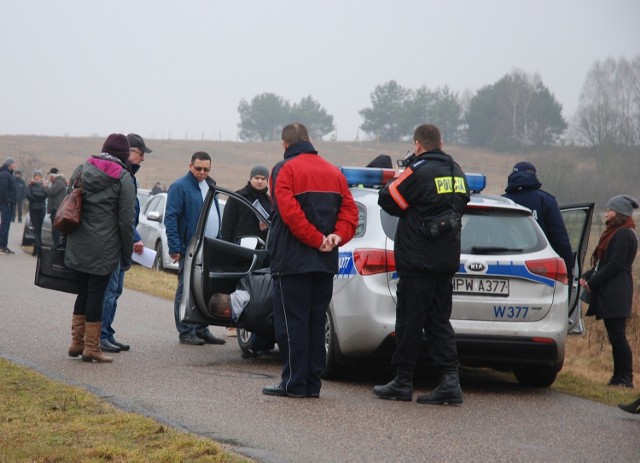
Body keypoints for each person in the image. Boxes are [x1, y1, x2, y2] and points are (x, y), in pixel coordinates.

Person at [374, 124, 470, 405]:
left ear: (417, 144)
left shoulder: (418, 171)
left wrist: (402, 176)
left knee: (409, 322)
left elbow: (387, 199)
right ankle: (450, 382)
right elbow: (460, 204)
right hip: (445, 260)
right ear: (441, 141)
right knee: (440, 322)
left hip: (418, 260)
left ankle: (402, 382)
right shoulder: (457, 171)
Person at [262, 122, 358, 399]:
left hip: (292, 261)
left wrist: (317, 239)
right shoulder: (334, 172)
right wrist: (335, 238)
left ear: (284, 144)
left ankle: (293, 383)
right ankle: (312, 384)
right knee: (316, 323)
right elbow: (350, 212)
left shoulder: (283, 169)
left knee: (292, 324)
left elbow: (288, 213)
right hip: (325, 262)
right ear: (309, 139)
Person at [64, 133, 136, 363]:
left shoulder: (82, 169)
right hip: (104, 247)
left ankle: (77, 342)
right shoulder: (123, 178)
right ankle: (92, 347)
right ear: (124, 155)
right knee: (97, 294)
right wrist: (127, 254)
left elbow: (70, 201)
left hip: (78, 242)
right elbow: (126, 222)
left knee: (83, 292)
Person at [165, 151, 226, 346]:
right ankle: (185, 330)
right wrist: (175, 246)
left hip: (209, 247)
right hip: (189, 248)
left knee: (205, 289)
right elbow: (171, 218)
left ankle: (201, 329)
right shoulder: (179, 187)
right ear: (190, 166)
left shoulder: (210, 186)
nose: (202, 172)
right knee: (186, 289)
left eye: (206, 169)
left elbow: (214, 214)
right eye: (198, 168)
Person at [100, 134, 152, 354]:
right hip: (114, 243)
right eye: (140, 154)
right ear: (130, 151)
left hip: (122, 242)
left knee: (116, 290)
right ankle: (101, 335)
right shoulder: (121, 175)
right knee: (109, 291)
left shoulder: (128, 175)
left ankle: (107, 332)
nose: (142, 159)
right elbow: (122, 214)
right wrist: (135, 237)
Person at [579, 195, 638, 388]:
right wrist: (587, 275)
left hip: (617, 291)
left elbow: (614, 265)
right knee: (615, 336)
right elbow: (603, 264)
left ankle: (625, 378)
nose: (606, 213)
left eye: (610, 210)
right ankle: (617, 377)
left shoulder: (623, 234)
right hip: (612, 290)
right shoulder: (615, 233)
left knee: (618, 336)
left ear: (619, 213)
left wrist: (592, 283)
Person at [220, 164, 272, 338]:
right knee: (236, 286)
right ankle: (232, 324)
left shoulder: (270, 202)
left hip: (261, 253)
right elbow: (227, 225)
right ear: (250, 178)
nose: (259, 181)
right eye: (256, 178)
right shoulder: (237, 197)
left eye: (263, 179)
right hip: (238, 251)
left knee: (256, 290)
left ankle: (253, 325)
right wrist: (227, 249)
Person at [503, 161, 573, 287]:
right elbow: (559, 237)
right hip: (539, 268)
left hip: (504, 265)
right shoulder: (546, 201)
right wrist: (568, 268)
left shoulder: (503, 202)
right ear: (534, 175)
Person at [44, 167, 68, 246]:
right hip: (55, 210)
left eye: (50, 176)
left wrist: (45, 186)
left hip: (57, 210)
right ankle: (56, 245)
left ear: (53, 176)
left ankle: (57, 246)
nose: (49, 178)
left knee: (56, 231)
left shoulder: (59, 182)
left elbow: (52, 192)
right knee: (55, 230)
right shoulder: (57, 182)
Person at [25, 170, 47, 255]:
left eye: (39, 175)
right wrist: (38, 195)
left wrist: (34, 194)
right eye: (35, 175)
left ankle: (38, 248)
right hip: (33, 209)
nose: (37, 177)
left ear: (41, 177)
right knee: (36, 228)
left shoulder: (44, 185)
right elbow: (28, 195)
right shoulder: (30, 185)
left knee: (39, 229)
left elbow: (45, 195)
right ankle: (38, 248)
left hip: (41, 209)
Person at [0, 157, 17, 254]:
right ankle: (1, 246)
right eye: (14, 163)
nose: (15, 165)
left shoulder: (9, 174)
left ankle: (4, 245)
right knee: (4, 225)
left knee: (6, 225)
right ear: (9, 164)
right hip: (5, 204)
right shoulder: (4, 174)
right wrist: (7, 201)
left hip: (9, 204)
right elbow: (3, 190)